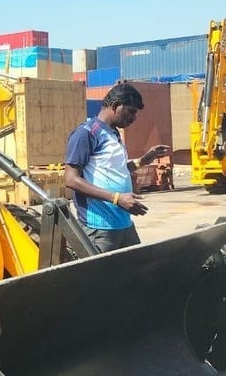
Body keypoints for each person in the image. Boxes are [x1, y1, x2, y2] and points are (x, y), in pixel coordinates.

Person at [64, 82, 170, 252]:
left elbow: (113, 170)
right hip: (100, 227)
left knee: (140, 267)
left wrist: (143, 160)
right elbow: (71, 179)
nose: (134, 118)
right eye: (131, 112)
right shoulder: (86, 134)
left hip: (123, 223)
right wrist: (117, 199)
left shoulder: (113, 133)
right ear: (115, 106)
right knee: (104, 270)